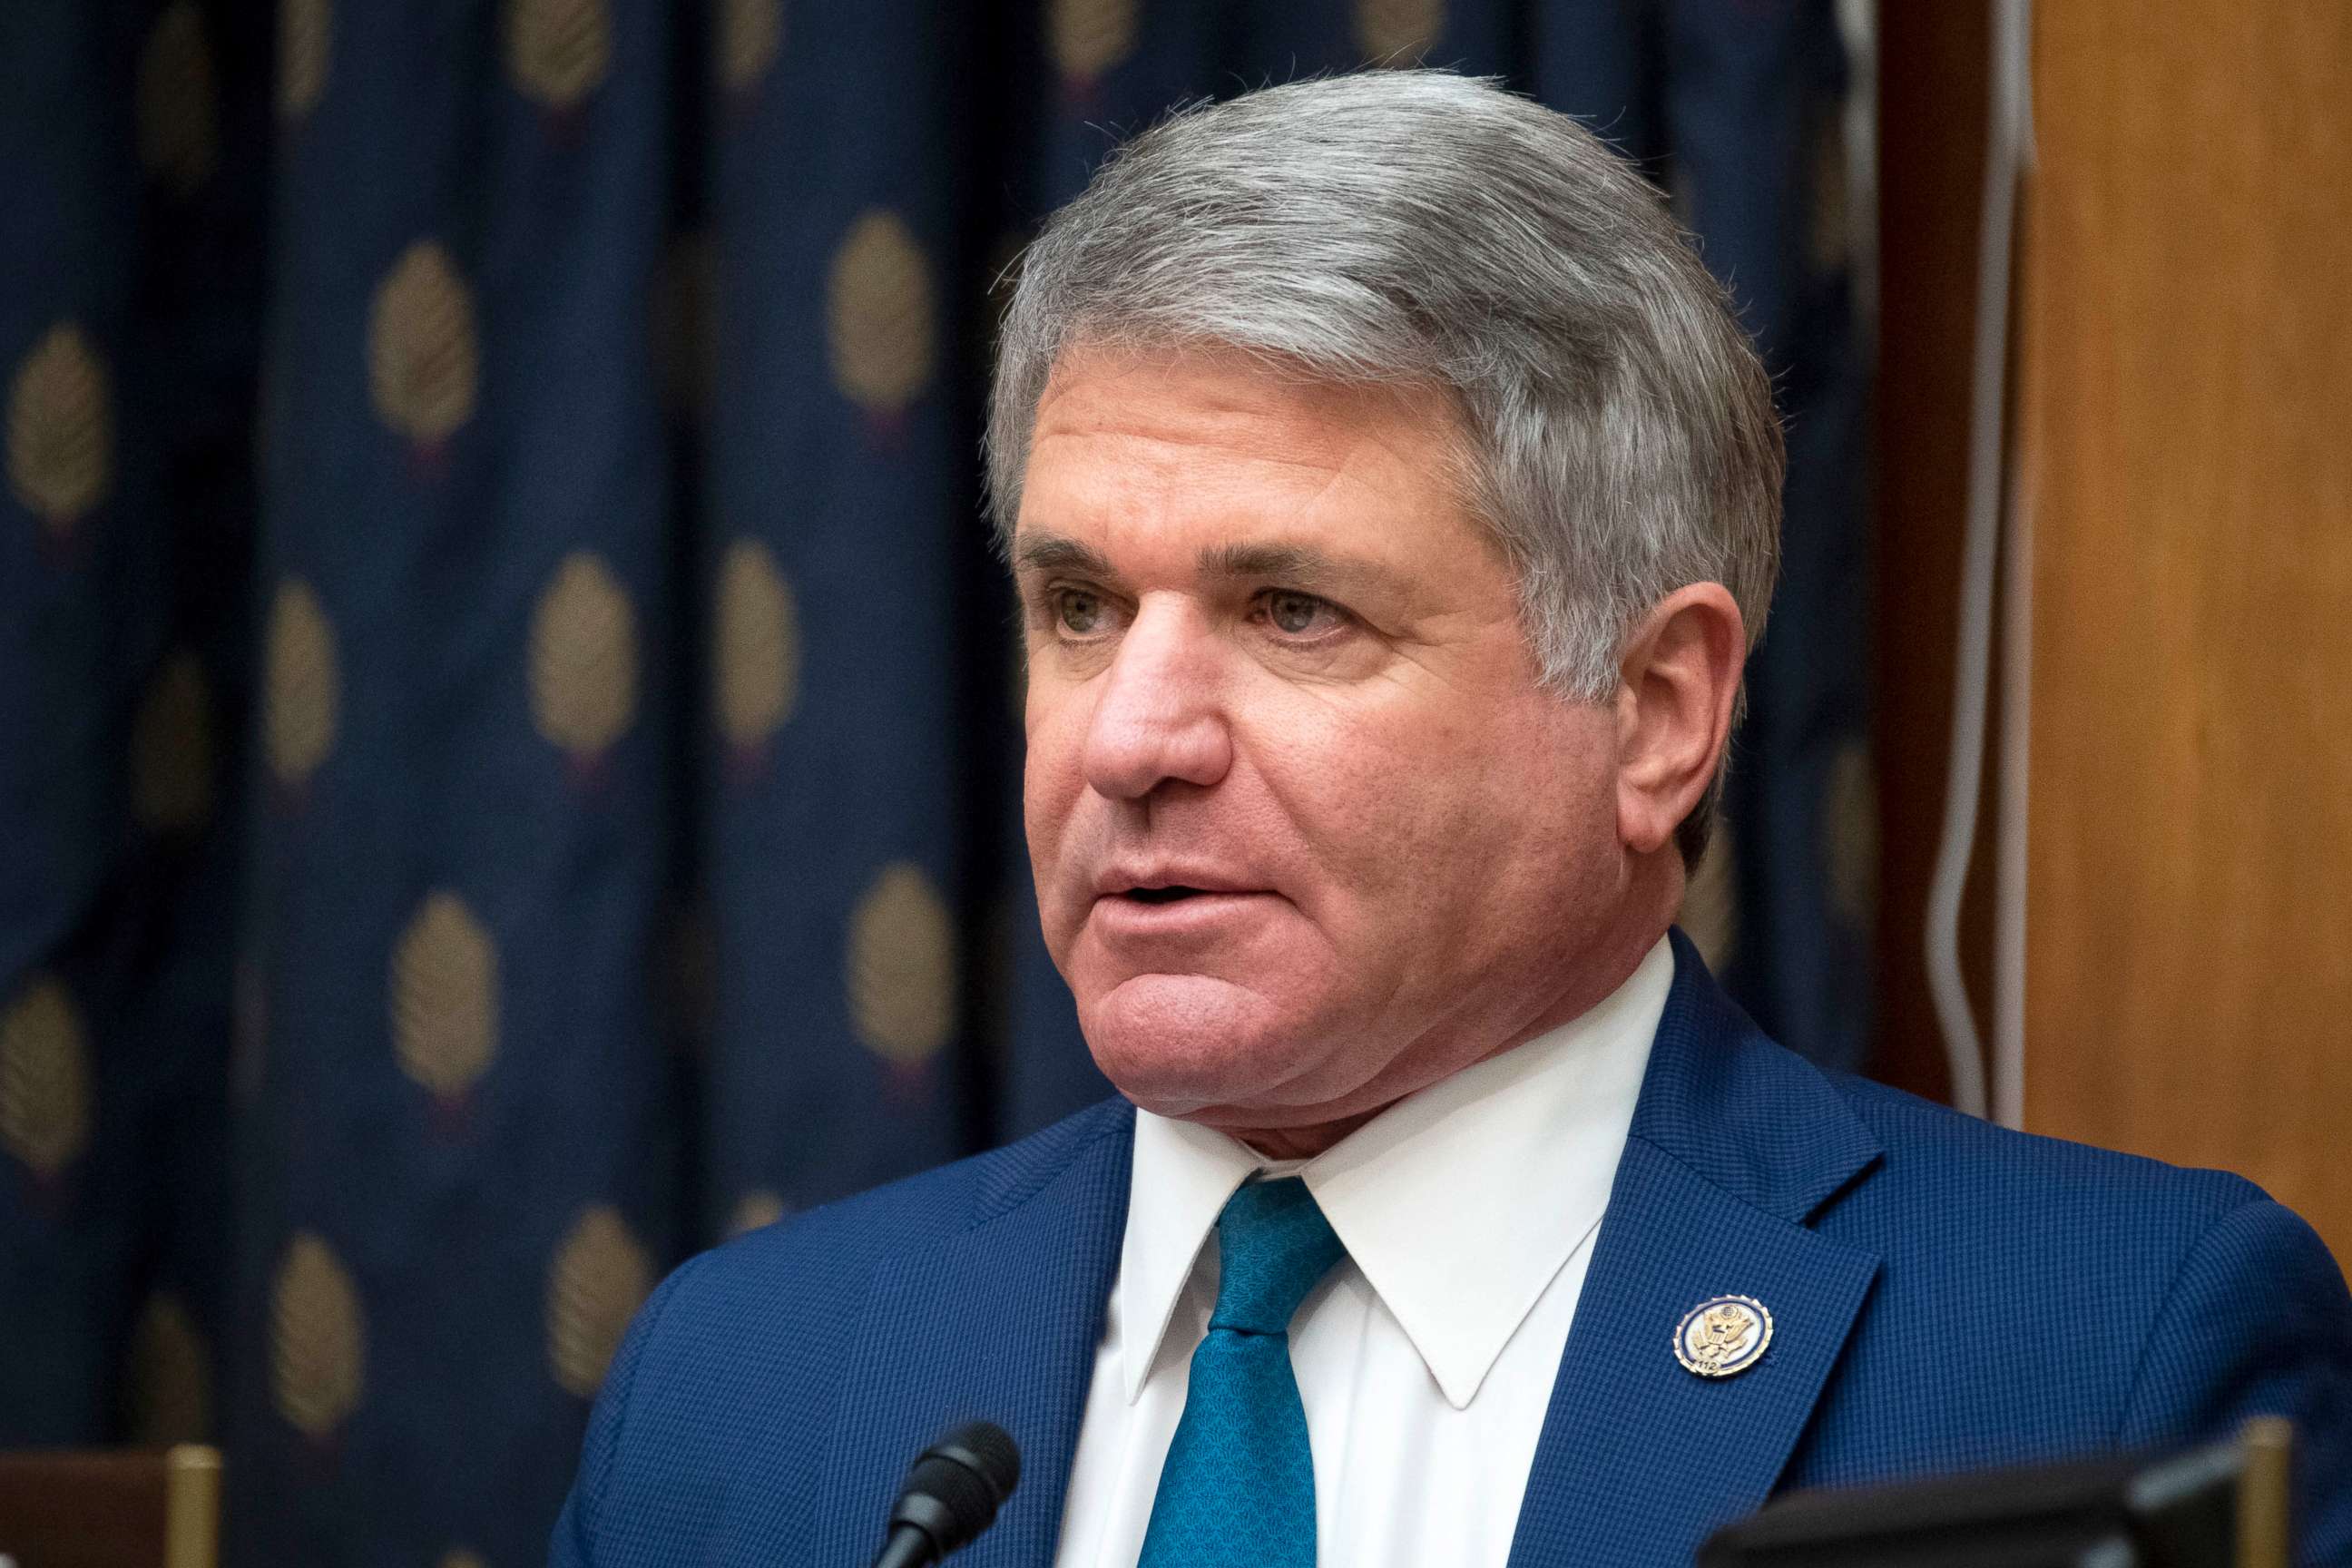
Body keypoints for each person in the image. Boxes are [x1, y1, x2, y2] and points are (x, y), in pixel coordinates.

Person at [549, 72, 2351, 1568]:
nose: (1132, 739)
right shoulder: (742, 1388)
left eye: (1294, 614)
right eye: (1079, 607)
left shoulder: (2111, 1354)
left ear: (1653, 717)